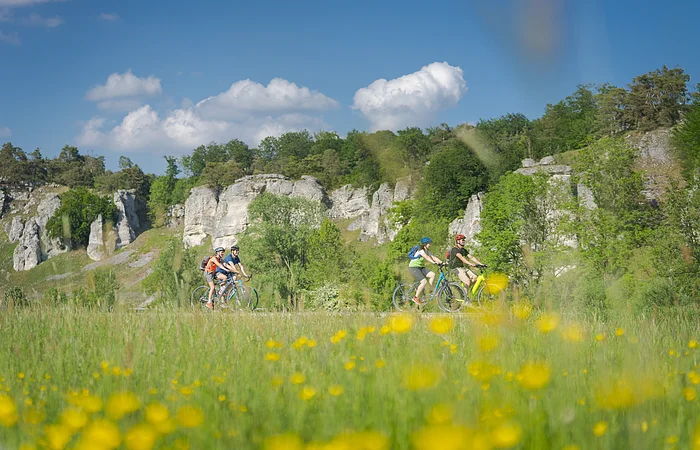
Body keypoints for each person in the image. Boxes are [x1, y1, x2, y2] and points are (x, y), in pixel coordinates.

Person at [408, 237, 443, 305]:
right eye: (429, 243)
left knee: (433, 274)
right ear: (425, 244)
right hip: (413, 268)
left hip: (420, 267)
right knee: (424, 282)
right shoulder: (421, 250)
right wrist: (433, 262)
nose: (430, 245)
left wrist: (442, 262)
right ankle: (415, 297)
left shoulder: (427, 251)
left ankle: (430, 290)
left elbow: (433, 257)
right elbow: (427, 257)